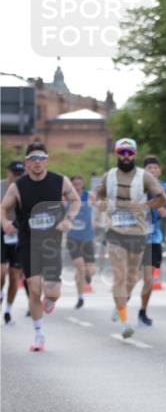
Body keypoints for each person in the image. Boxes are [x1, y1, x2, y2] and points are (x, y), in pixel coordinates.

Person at [0, 142, 80, 351]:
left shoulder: (59, 181)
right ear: (27, 163)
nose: (37, 162)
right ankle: (39, 335)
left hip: (51, 243)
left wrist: (68, 220)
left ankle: (50, 300)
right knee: (34, 291)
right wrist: (6, 223)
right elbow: (3, 207)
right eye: (33, 159)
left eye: (41, 158)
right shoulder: (18, 187)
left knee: (52, 293)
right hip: (28, 243)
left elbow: (75, 200)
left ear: (46, 160)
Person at [95, 138, 166, 340]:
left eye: (129, 153)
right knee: (120, 275)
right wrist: (101, 204)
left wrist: (145, 206)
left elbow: (163, 199)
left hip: (137, 233)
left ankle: (120, 304)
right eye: (122, 152)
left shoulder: (144, 177)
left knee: (132, 278)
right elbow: (98, 196)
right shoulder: (108, 176)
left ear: (134, 154)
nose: (126, 156)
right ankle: (125, 321)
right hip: (115, 232)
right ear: (116, 154)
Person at [138, 155, 166, 327]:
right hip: (134, 237)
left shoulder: (164, 188)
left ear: (159, 171)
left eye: (155, 168)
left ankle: (143, 311)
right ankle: (121, 301)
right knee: (131, 276)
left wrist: (165, 212)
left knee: (149, 280)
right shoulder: (136, 187)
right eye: (149, 168)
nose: (152, 170)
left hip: (153, 238)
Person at [1, 160, 26, 324]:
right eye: (14, 174)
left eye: (20, 174)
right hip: (1, 232)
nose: (16, 177)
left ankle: (8, 310)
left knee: (14, 275)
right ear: (8, 172)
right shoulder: (1, 186)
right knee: (1, 271)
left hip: (19, 234)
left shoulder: (26, 189)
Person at [66, 175, 97, 309]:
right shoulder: (67, 197)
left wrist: (96, 220)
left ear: (83, 184)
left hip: (88, 237)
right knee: (79, 266)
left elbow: (99, 208)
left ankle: (87, 276)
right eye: (75, 184)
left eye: (79, 183)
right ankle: (80, 297)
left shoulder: (89, 195)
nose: (77, 186)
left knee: (90, 270)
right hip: (73, 237)